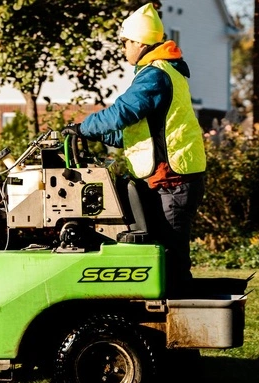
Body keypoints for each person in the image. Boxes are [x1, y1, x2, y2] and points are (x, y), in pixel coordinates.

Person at [62, 2, 206, 297]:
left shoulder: (154, 74)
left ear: (140, 43)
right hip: (168, 178)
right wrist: (99, 135)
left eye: (126, 42)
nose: (123, 48)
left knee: (172, 254)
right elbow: (139, 132)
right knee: (162, 250)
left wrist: (85, 127)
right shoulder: (158, 71)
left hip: (173, 181)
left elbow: (122, 112)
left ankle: (182, 320)